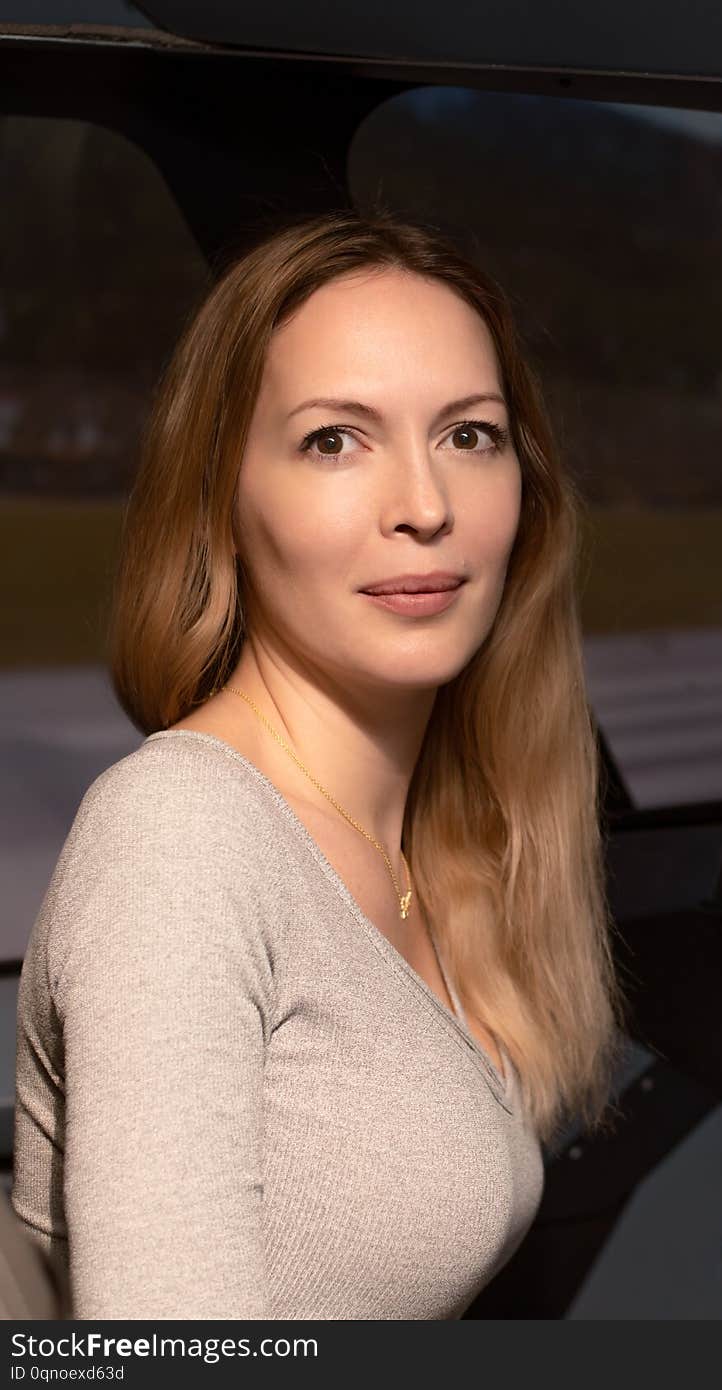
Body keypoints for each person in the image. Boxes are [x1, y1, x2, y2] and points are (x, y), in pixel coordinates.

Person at [12, 209, 628, 1319]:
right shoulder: (184, 835)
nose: (426, 507)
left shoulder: (438, 837)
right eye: (333, 439)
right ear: (223, 502)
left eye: (469, 434)